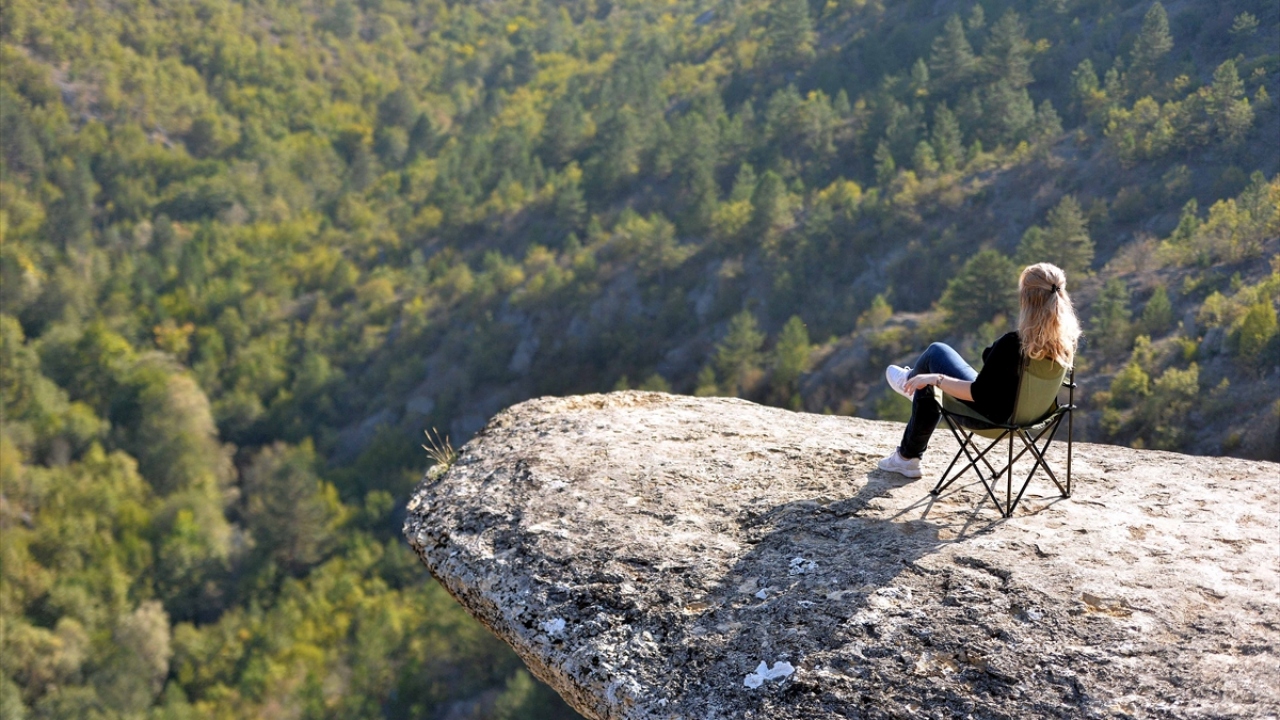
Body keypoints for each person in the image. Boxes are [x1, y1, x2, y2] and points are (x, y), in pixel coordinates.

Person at [876, 262, 1081, 478]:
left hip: (992, 419)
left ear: (1026, 300)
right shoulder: (1064, 344)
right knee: (931, 375)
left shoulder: (1014, 344)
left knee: (935, 355)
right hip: (1028, 416)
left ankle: (908, 452)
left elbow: (977, 395)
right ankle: (915, 384)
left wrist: (935, 379)